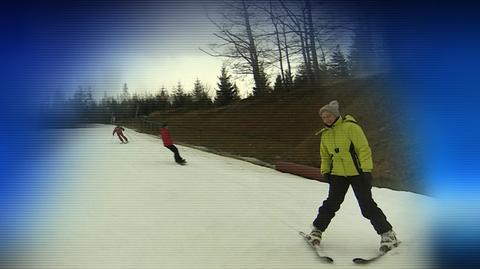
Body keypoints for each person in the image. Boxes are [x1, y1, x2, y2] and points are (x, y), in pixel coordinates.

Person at [307, 100, 399, 252]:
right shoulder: (325, 135)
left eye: (329, 115)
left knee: (367, 205)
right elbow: (325, 156)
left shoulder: (351, 127)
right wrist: (325, 171)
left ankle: (388, 235)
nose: (326, 119)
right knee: (331, 204)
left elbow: (363, 149)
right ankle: (316, 230)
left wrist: (366, 170)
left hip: (357, 173)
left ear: (336, 115)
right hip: (337, 174)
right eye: (324, 117)